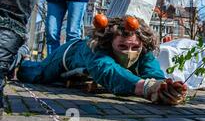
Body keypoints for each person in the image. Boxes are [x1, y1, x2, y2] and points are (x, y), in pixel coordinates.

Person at [17, 15, 188, 105]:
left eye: (134, 48)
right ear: (110, 42)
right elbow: (107, 70)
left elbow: (152, 71)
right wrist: (147, 88)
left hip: (83, 72)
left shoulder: (143, 49)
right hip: (67, 55)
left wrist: (165, 87)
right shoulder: (94, 47)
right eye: (122, 47)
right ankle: (20, 56)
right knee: (35, 73)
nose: (130, 52)